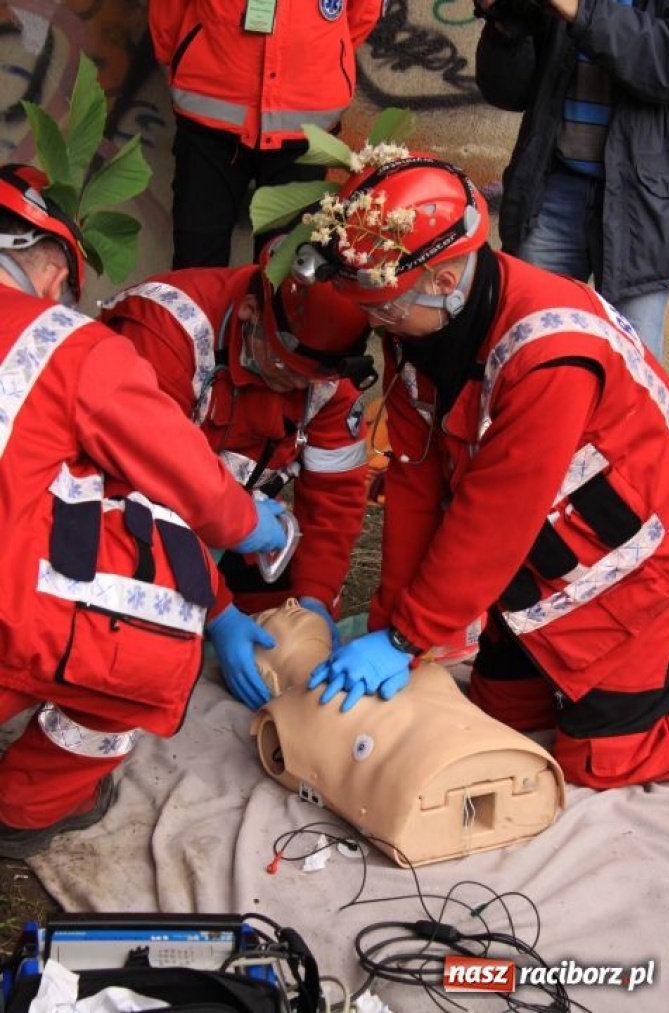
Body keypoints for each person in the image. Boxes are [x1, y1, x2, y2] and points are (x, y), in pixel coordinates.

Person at [292, 150, 669, 790]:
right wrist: (393, 627)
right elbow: (414, 482)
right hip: (545, 563)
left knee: (599, 765)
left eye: (383, 305)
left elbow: (493, 516)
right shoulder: (418, 331)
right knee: (501, 717)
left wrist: (410, 640)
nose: (373, 320)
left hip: (642, 570)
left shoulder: (551, 354)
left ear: (443, 280)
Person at [0, 163, 288, 857]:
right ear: (48, 273)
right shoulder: (66, 342)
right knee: (145, 651)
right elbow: (183, 474)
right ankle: (27, 805)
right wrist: (249, 523)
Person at [99, 243, 374, 712]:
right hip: (131, 519)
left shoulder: (327, 374)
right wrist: (217, 610)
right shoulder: (165, 332)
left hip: (239, 525)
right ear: (250, 311)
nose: (301, 386)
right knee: (132, 641)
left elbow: (336, 501)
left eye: (315, 378)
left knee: (282, 630)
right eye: (289, 370)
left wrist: (314, 597)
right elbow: (132, 492)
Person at [472, 0, 669, 361]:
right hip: (550, 194)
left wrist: (581, 11)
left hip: (642, 208)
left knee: (633, 372)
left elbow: (666, 66)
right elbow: (509, 92)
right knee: (525, 351)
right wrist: (504, 25)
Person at [147, 0, 385, 268]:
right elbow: (167, 8)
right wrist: (178, 58)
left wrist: (323, 54)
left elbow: (364, 11)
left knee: (282, 272)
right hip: (210, 121)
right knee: (196, 262)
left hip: (304, 131)